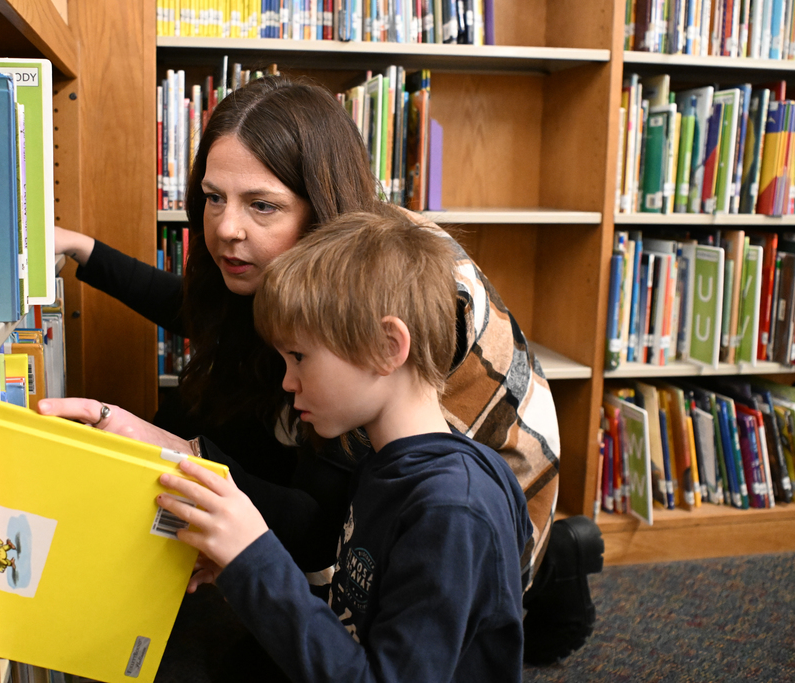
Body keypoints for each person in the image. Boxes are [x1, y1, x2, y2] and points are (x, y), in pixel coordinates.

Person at [40, 75, 602, 665]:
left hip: (478, 517)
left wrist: (199, 477)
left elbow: (329, 521)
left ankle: (549, 570)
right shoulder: (319, 272)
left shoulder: (384, 295)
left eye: (262, 204)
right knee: (203, 413)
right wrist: (84, 249)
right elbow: (206, 315)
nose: (227, 227)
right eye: (212, 197)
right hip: (395, 494)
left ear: (320, 203)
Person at [156, 207, 533, 682]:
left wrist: (255, 557)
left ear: (386, 346)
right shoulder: (388, 462)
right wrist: (243, 569)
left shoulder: (453, 510)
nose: (288, 382)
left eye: (298, 357)